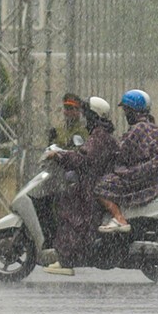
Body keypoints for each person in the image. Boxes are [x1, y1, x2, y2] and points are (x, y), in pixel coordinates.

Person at [94, 90, 158, 233]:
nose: (125, 114)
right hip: (154, 174)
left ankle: (119, 218)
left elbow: (121, 154)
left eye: (126, 110)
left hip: (141, 176)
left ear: (132, 111)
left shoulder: (138, 129)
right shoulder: (150, 126)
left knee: (101, 187)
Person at [44, 96, 117, 275]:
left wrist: (59, 156)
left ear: (94, 115)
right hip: (93, 180)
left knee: (68, 207)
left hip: (92, 184)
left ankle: (68, 258)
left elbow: (83, 159)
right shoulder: (100, 134)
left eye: (87, 114)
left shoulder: (98, 136)